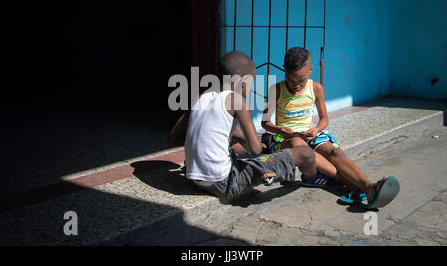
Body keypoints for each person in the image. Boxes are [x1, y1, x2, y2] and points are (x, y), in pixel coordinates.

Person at [261, 47, 400, 208]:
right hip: (287, 140)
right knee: (299, 146)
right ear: (284, 70)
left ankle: (368, 186)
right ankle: (357, 185)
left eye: (301, 80)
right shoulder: (276, 90)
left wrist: (316, 129)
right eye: (290, 79)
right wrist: (280, 130)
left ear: (310, 70)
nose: (296, 86)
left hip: (310, 135)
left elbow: (324, 118)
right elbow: (265, 122)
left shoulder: (316, 89)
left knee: (334, 152)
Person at [168, 50, 318, 199]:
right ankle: (313, 178)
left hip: (194, 178)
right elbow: (255, 149)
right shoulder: (237, 100)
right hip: (225, 182)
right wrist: (243, 139)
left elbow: (173, 139)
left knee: (236, 141)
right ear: (243, 82)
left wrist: (233, 135)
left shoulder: (201, 97)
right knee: (306, 154)